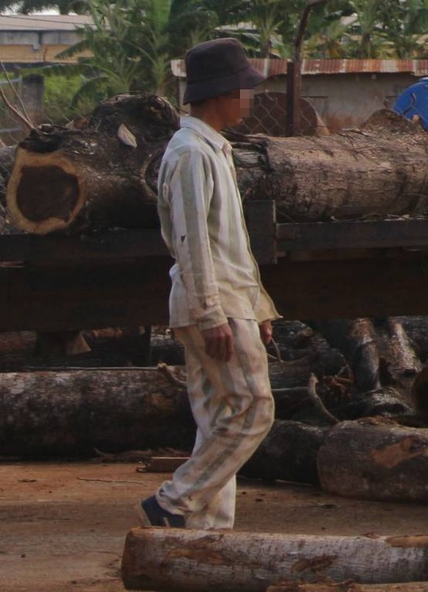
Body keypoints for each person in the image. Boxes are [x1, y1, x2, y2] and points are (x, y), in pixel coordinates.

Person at [140, 38, 278, 530]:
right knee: (254, 410)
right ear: (223, 93)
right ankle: (175, 502)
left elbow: (232, 243)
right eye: (245, 89)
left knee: (219, 420)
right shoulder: (192, 153)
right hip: (213, 302)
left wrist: (257, 308)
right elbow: (192, 240)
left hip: (225, 300)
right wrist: (213, 313)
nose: (250, 99)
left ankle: (205, 535)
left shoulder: (210, 149)